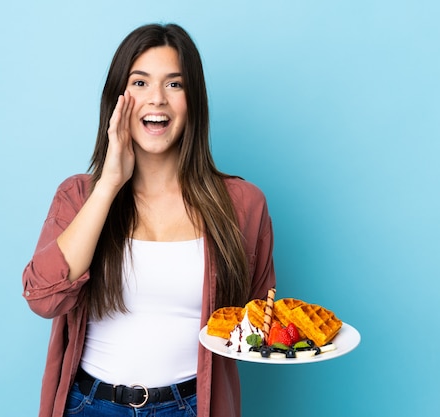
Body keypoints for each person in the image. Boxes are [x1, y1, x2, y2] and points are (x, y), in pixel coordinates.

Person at [22, 23, 275, 417]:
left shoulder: (243, 204)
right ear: (117, 99)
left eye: (174, 85)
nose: (157, 99)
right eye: (140, 83)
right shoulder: (79, 196)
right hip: (90, 405)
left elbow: (259, 319)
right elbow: (43, 297)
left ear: (194, 100)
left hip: (192, 406)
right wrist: (108, 184)